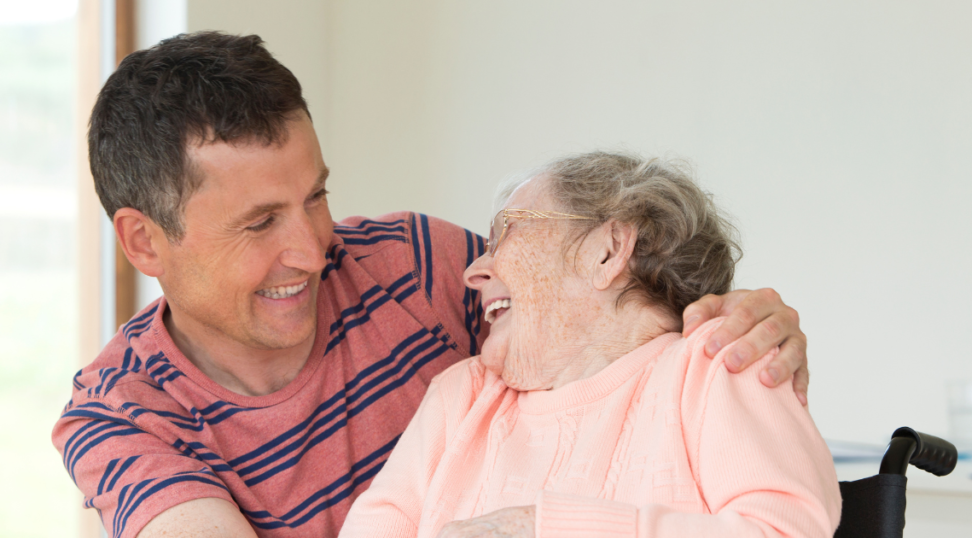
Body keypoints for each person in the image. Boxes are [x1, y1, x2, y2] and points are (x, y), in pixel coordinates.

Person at [52, 32, 812, 538]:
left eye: (315, 196)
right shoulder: (119, 411)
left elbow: (593, 307)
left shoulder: (418, 264)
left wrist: (735, 318)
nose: (315, 251)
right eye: (259, 224)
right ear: (143, 241)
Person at [339, 152, 840, 538]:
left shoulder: (718, 361)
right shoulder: (462, 396)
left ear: (607, 250)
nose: (474, 271)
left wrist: (542, 527)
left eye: (505, 234)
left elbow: (783, 530)